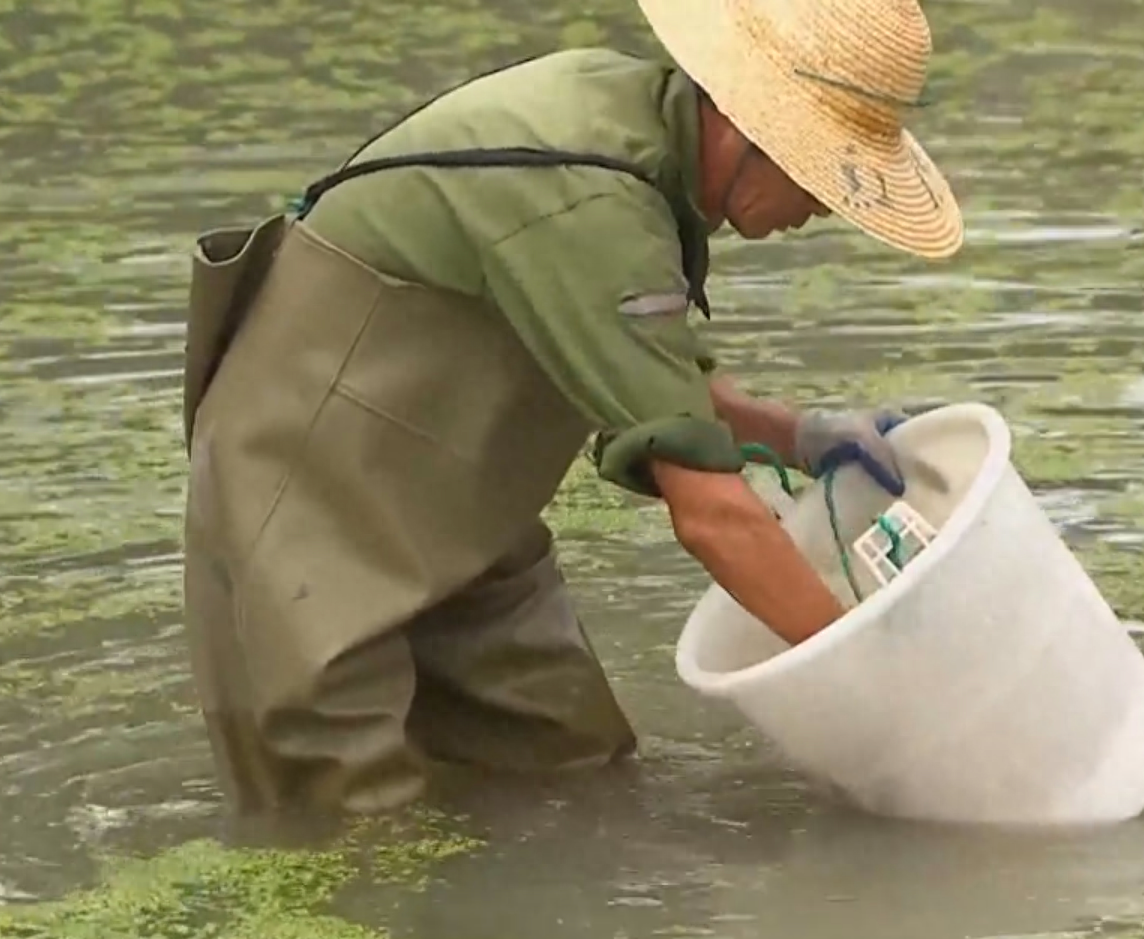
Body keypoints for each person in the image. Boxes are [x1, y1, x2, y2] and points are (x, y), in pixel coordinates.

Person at [180, 0, 963, 816]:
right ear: (738, 120)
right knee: (353, 835)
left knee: (576, 774)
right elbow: (715, 518)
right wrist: (874, 679)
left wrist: (796, 437)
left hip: (457, 502)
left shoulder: (638, 137)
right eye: (822, 170)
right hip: (308, 503)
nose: (826, 206)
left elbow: (644, 375)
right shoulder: (592, 198)